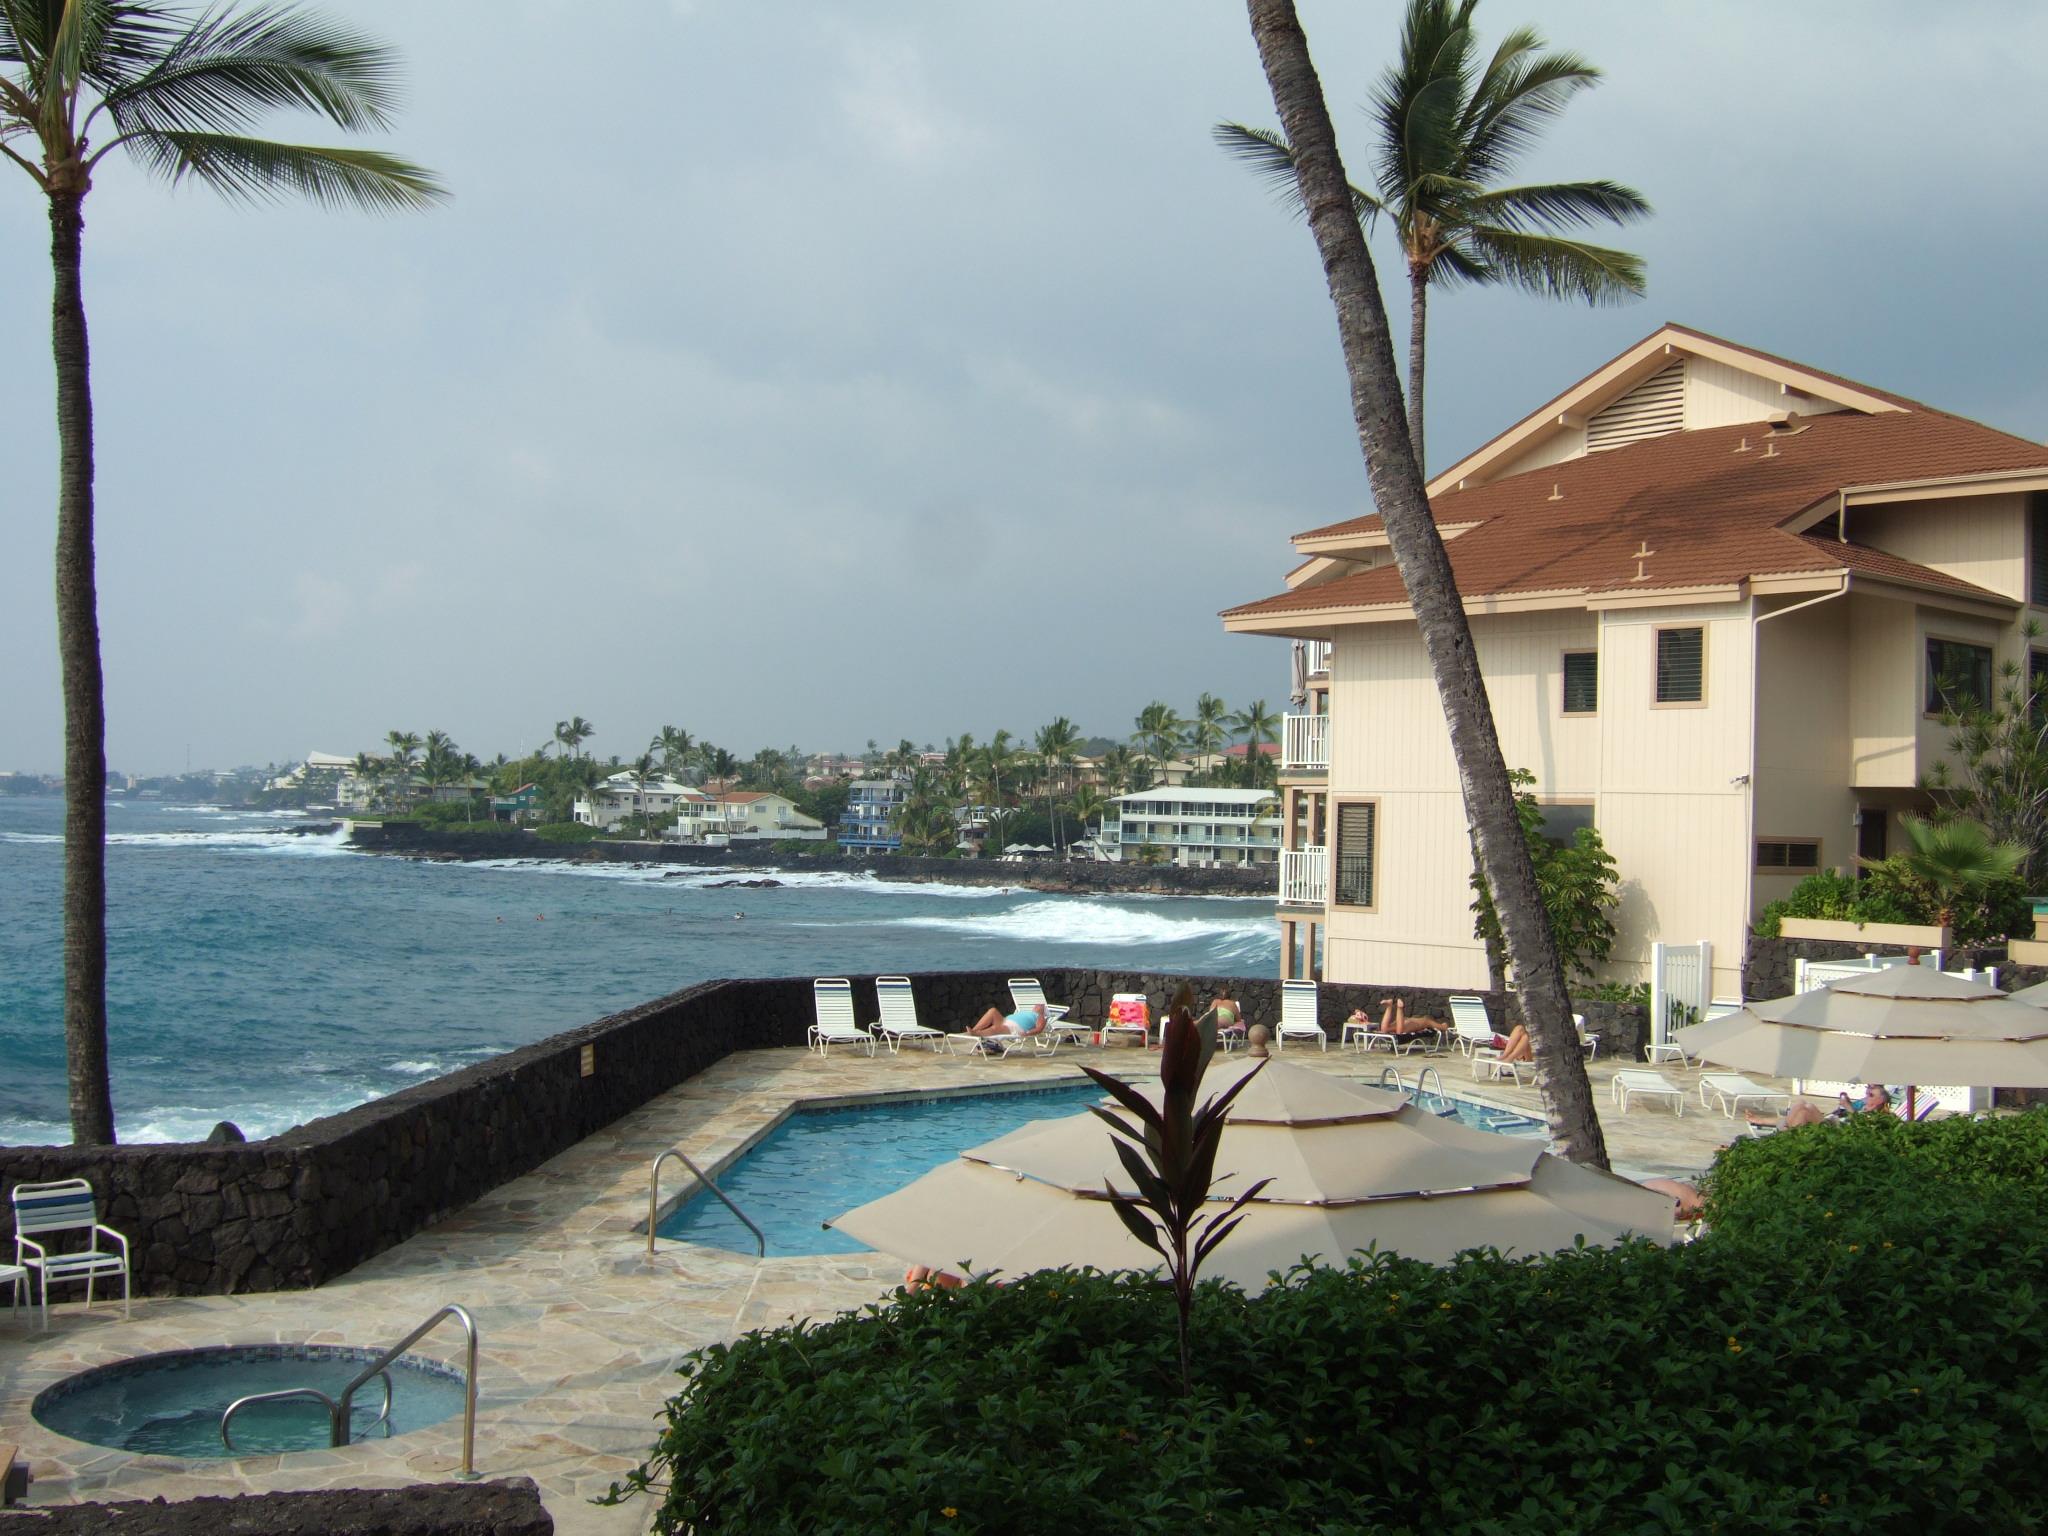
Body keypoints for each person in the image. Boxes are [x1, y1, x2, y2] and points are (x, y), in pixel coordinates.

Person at [965, 1002, 1047, 1038]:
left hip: (1015, 1028)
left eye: (1040, 1005)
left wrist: (1027, 1033)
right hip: (1006, 1021)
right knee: (993, 1011)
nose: (1037, 1005)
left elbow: (1039, 1029)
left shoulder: (1040, 1016)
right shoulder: (1026, 1012)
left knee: (997, 1028)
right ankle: (974, 1030)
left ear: (1043, 1010)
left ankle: (977, 1034)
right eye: (1037, 1004)